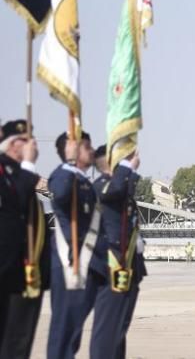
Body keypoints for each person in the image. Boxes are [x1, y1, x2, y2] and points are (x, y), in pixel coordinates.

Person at [46, 131, 100, 359]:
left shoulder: (83, 180)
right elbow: (60, 194)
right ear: (74, 150)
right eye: (87, 147)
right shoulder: (62, 176)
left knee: (74, 331)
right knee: (64, 329)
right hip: (71, 262)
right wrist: (68, 162)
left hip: (87, 263)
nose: (92, 150)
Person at [90, 148, 147, 359]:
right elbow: (115, 190)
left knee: (118, 330)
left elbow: (124, 191)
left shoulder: (120, 190)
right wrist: (127, 166)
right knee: (107, 331)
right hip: (112, 265)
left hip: (128, 267)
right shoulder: (101, 186)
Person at [0, 119, 47, 359]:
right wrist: (28, 166)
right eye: (24, 140)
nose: (32, 144)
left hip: (24, 276)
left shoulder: (19, 175)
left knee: (20, 344)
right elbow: (12, 204)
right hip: (7, 273)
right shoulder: (8, 173)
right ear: (10, 145)